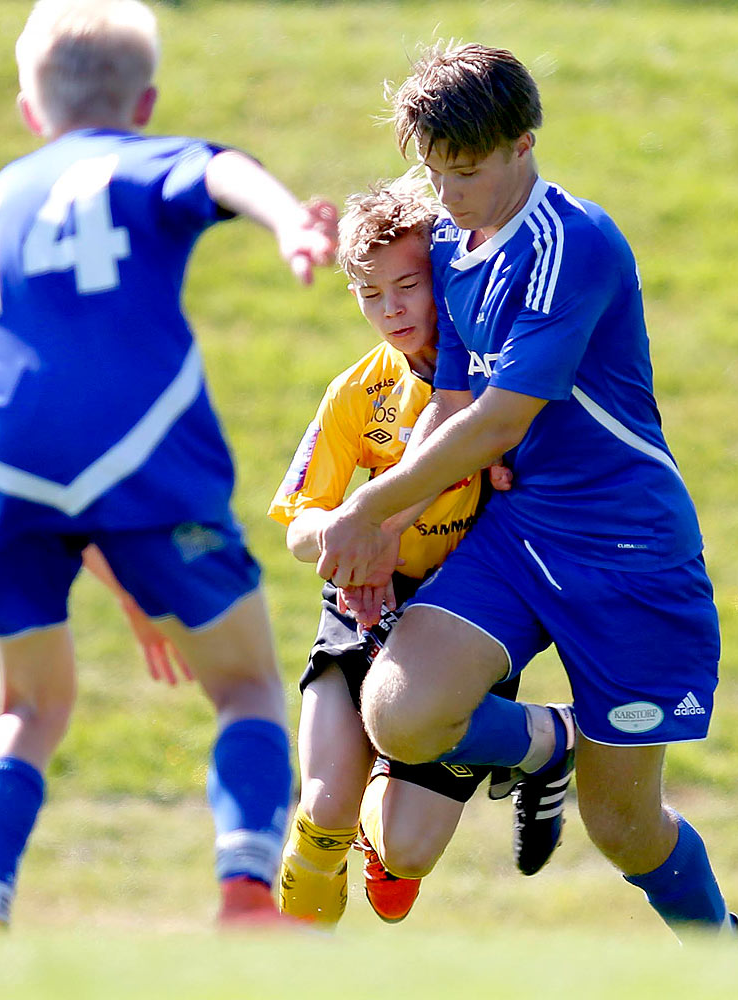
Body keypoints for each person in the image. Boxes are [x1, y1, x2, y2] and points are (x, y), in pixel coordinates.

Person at [0, 0, 336, 936]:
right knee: (246, 685)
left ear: (31, 111)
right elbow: (220, 170)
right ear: (144, 103)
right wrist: (286, 226)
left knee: (27, 704)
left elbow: (41, 418)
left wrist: (123, 580)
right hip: (138, 448)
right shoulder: (146, 158)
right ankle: (243, 892)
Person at [315, 42, 738, 942]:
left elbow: (499, 423)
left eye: (465, 172)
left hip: (626, 556)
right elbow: (453, 402)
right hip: (517, 535)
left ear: (524, 144)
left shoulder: (572, 243)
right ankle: (552, 741)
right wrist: (397, 513)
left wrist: (371, 509)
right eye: (433, 175)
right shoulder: (451, 243)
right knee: (400, 712)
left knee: (624, 830)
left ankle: (724, 954)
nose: (448, 195)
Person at [269, 180, 543, 926]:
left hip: (464, 616)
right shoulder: (357, 393)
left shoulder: (501, 370)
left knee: (409, 857)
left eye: (406, 286)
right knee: (321, 818)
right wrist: (342, 543)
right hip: (365, 606)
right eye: (368, 294)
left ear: (444, 275)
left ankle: (404, 804)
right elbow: (298, 519)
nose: (389, 309)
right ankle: (293, 964)